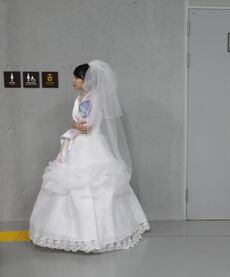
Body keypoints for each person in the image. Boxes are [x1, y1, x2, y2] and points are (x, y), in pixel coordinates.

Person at [30, 60, 150, 253]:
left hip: (90, 146)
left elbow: (86, 127)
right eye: (75, 77)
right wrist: (75, 125)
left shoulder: (94, 98)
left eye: (78, 77)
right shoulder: (80, 98)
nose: (74, 81)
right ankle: (69, 233)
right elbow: (77, 123)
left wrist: (75, 126)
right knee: (69, 186)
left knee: (92, 184)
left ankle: (99, 235)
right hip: (76, 144)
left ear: (88, 80)